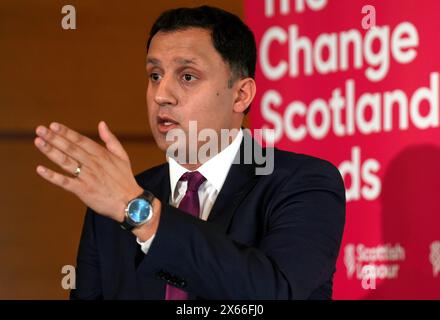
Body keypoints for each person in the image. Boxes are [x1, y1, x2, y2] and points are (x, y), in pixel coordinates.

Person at [34, 6, 345, 300]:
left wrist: (143, 215)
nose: (161, 95)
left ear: (241, 94)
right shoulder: (114, 203)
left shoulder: (303, 183)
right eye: (155, 75)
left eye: (187, 76)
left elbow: (273, 292)